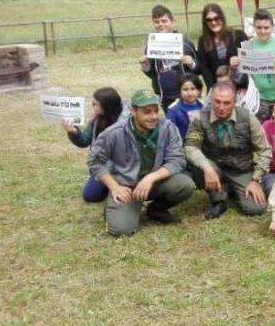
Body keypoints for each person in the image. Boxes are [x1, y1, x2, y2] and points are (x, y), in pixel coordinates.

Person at [87, 89, 195, 236]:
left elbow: (177, 160)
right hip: (126, 187)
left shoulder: (168, 128)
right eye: (147, 112)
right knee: (120, 230)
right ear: (133, 111)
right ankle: (117, 207)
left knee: (185, 184)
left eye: (156, 111)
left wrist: (150, 178)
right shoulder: (115, 132)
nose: (153, 116)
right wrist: (115, 187)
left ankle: (156, 209)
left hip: (154, 183)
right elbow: (95, 161)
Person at [185, 82, 272, 219]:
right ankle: (219, 200)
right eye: (217, 102)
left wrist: (255, 179)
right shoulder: (200, 117)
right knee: (197, 165)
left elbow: (264, 150)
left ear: (235, 102)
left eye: (227, 103)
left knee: (256, 208)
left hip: (241, 169)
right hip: (214, 167)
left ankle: (232, 188)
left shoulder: (248, 117)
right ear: (211, 100)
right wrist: (207, 168)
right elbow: (190, 147)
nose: (221, 107)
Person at [63, 87, 124, 202]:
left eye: (95, 104)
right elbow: (84, 141)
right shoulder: (97, 120)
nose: (92, 107)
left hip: (122, 168)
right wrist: (73, 132)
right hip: (102, 166)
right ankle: (108, 185)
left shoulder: (124, 124)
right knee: (91, 196)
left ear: (106, 106)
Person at [139, 5, 198, 112]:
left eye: (164, 21)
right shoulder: (151, 45)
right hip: (164, 95)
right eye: (157, 22)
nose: (161, 24)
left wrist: (191, 63)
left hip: (186, 94)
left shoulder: (185, 42)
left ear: (172, 22)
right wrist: (145, 66)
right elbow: (152, 73)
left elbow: (199, 65)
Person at [243, 8, 275, 120]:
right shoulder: (247, 47)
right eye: (259, 28)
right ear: (254, 27)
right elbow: (243, 75)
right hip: (258, 101)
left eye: (266, 28)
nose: (263, 31)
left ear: (273, 27)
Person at [196, 3, 248, 90]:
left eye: (216, 18)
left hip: (240, 87)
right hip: (217, 89)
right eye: (209, 20)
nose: (213, 22)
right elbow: (204, 68)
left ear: (222, 17)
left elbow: (249, 61)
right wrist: (213, 88)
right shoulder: (203, 41)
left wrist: (238, 63)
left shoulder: (239, 35)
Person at [165, 74, 204, 140]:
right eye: (185, 89)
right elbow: (170, 135)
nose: (189, 93)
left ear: (199, 91)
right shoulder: (173, 110)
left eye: (193, 89)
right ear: (179, 91)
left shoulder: (203, 106)